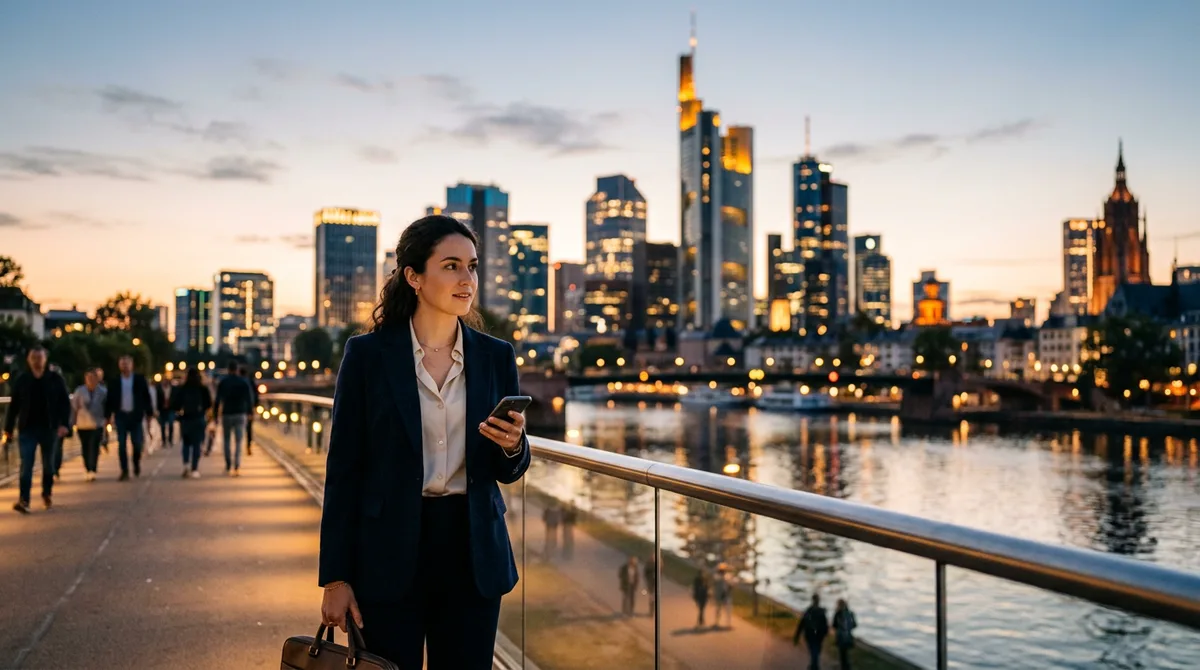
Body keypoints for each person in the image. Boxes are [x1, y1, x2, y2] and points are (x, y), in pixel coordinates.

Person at [319, 215, 532, 669]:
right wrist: (336, 577)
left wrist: (514, 445)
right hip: (389, 550)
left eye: (472, 267)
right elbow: (343, 472)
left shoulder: (496, 357)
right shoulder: (367, 356)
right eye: (451, 266)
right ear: (414, 277)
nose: (466, 279)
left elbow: (505, 470)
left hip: (472, 552)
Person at [2, 346, 71, 513]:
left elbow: (64, 403)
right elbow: (13, 407)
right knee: (26, 465)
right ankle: (24, 500)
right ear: (29, 360)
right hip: (27, 429)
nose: (37, 361)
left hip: (49, 428)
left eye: (39, 358)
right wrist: (8, 429)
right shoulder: (22, 380)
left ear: (45, 360)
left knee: (49, 465)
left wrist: (64, 425)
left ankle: (46, 493)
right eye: (33, 358)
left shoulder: (55, 379)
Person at [104, 355, 155, 480]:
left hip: (135, 416)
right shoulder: (115, 381)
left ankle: (136, 463)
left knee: (137, 444)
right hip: (121, 416)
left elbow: (146, 398)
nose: (125, 366)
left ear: (132, 365)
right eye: (122, 364)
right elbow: (109, 400)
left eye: (127, 363)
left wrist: (149, 414)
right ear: (119, 365)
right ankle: (124, 470)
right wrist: (108, 417)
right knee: (121, 444)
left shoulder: (139, 379)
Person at [213, 361, 253, 476]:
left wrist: (215, 415)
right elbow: (249, 398)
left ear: (228, 370)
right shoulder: (243, 382)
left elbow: (217, 400)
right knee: (239, 440)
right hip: (240, 413)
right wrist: (250, 412)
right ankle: (237, 465)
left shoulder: (223, 382)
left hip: (227, 413)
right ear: (237, 369)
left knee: (226, 439)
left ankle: (228, 464)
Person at [170, 368, 212, 478]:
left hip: (186, 419)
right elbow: (208, 404)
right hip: (199, 418)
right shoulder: (203, 389)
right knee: (197, 444)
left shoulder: (183, 388)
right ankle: (195, 468)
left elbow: (175, 404)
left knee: (186, 443)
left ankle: (186, 465)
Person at [70, 368, 108, 482]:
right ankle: (87, 467)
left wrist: (108, 421)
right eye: (88, 378)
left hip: (97, 424)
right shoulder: (80, 391)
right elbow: (74, 407)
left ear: (97, 379)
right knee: (85, 447)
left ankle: (93, 468)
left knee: (94, 446)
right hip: (83, 424)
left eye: (93, 378)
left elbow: (107, 407)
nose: (90, 380)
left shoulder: (103, 391)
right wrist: (73, 422)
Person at [794, 594, 830, 670]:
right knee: (816, 651)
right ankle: (815, 666)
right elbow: (825, 624)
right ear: (818, 600)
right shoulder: (821, 611)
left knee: (813, 650)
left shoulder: (809, 610)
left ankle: (814, 665)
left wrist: (797, 636)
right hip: (818, 636)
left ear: (812, 600)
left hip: (810, 635)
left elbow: (802, 623)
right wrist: (826, 633)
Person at [833, 599, 857, 670]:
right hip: (848, 637)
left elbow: (834, 625)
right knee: (846, 654)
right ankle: (847, 667)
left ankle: (844, 667)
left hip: (840, 637)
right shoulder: (850, 613)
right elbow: (855, 625)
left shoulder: (838, 614)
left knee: (842, 655)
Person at [239, 366, 257, 456]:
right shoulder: (250, 382)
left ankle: (237, 449)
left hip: (238, 409)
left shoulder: (237, 382)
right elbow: (254, 395)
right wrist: (254, 407)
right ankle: (248, 446)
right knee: (249, 428)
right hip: (248, 409)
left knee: (238, 429)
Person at [154, 379, 174, 448]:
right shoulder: (159, 389)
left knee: (171, 424)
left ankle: (170, 439)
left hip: (170, 409)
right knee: (162, 425)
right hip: (162, 410)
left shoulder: (172, 389)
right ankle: (164, 440)